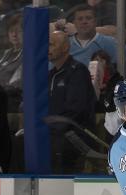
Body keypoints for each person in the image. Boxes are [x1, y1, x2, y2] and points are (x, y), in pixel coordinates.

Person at [48, 30, 96, 174]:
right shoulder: (50, 75)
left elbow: (75, 110)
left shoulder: (77, 72)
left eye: (51, 45)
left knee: (54, 147)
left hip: (73, 135)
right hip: (53, 131)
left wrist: (49, 127)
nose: (47, 49)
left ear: (65, 47)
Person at [0, 13, 23, 112]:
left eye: (18, 31)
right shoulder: (7, 53)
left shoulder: (28, 55)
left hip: (11, 100)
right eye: (11, 31)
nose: (14, 35)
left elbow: (18, 84)